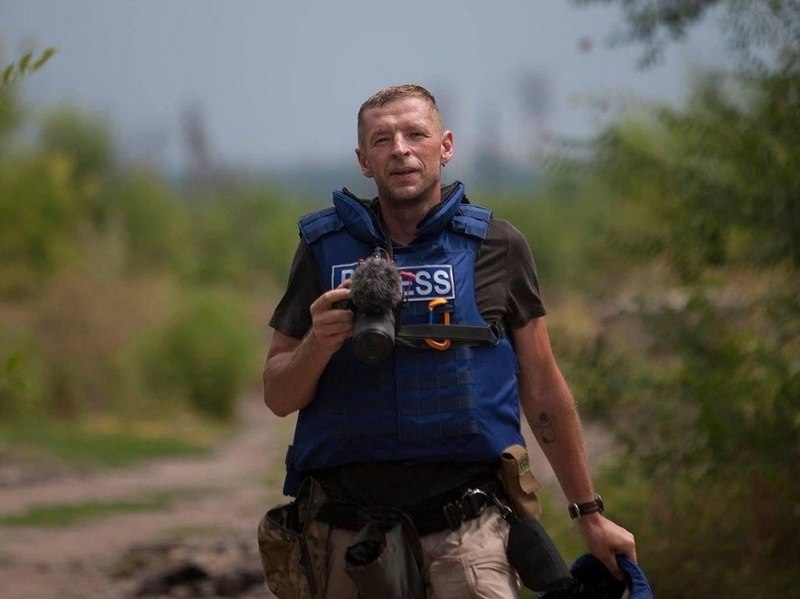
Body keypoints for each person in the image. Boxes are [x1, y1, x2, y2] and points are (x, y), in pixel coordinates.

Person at [263, 83, 636, 599]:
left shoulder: (497, 246)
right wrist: (318, 344)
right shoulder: (322, 249)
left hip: (469, 532)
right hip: (347, 536)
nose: (400, 149)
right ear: (363, 160)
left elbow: (544, 386)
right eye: (382, 139)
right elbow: (277, 395)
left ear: (445, 146)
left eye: (416, 134)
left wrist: (590, 515)